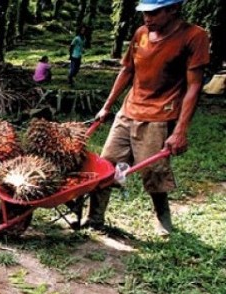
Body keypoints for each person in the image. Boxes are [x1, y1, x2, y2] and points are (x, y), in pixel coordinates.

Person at [84, 0, 210, 236]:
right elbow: (128, 70)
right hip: (129, 110)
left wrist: (180, 131)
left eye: (154, 13)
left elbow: (194, 86)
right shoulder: (141, 33)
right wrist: (107, 106)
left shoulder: (194, 36)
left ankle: (163, 217)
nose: (147, 18)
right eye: (145, 13)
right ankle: (95, 219)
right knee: (106, 165)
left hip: (160, 115)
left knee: (153, 170)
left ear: (173, 10)